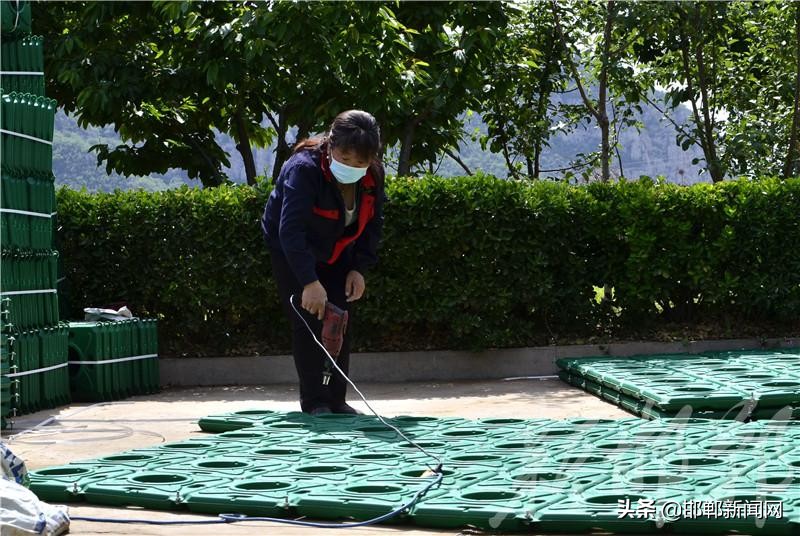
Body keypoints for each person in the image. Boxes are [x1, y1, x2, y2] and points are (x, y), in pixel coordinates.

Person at [261, 110, 386, 415]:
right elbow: (289, 230)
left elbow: (373, 224)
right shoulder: (303, 169)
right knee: (309, 321)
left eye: (359, 162)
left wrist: (359, 267)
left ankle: (336, 398)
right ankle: (315, 401)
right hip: (293, 249)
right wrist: (308, 281)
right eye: (344, 157)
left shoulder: (372, 176)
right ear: (331, 144)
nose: (351, 166)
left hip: (337, 249)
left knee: (338, 320)